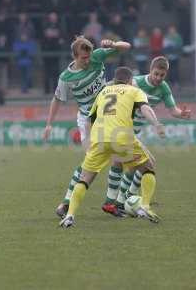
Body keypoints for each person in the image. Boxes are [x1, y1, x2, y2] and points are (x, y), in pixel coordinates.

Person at [59, 67, 165, 228]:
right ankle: (145, 207)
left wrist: (87, 141)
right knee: (149, 167)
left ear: (115, 80)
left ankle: (70, 216)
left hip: (99, 139)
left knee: (85, 178)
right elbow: (145, 108)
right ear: (130, 81)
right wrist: (156, 124)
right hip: (122, 138)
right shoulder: (134, 90)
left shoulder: (103, 92)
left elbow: (89, 120)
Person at [42, 35, 131, 218]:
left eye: (89, 56)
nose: (88, 60)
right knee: (90, 164)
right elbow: (57, 100)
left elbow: (127, 46)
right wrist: (49, 124)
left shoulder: (97, 57)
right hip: (88, 119)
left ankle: (110, 202)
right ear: (74, 56)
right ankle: (66, 203)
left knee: (119, 157)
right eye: (83, 58)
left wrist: (113, 44)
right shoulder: (66, 78)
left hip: (108, 115)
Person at [105, 56, 191, 211]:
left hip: (134, 132)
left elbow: (173, 110)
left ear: (166, 74)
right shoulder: (136, 82)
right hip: (123, 128)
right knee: (144, 163)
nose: (158, 78)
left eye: (162, 75)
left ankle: (123, 200)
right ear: (150, 70)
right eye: (156, 74)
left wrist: (181, 114)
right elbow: (114, 87)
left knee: (132, 165)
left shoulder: (164, 88)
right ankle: (121, 201)